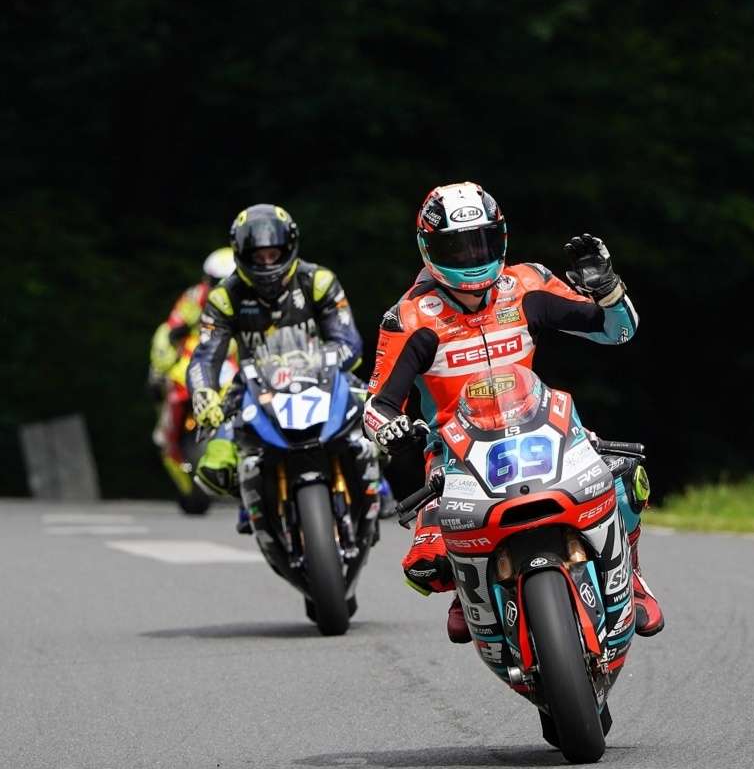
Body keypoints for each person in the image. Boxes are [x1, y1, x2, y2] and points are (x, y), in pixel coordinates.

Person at [363, 181, 664, 643]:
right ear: (428, 248)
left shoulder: (527, 284)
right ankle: (469, 589)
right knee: (427, 562)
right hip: (456, 454)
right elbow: (378, 403)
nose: (471, 257)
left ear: (500, 239)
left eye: (480, 242)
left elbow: (617, 331)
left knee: (624, 480)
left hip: (544, 428)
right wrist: (390, 429)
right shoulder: (409, 318)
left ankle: (632, 577)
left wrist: (606, 289)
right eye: (456, 247)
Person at [188, 203, 367, 500]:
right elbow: (205, 356)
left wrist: (325, 359)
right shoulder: (224, 297)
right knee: (214, 468)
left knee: (376, 417)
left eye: (273, 254)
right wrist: (203, 392)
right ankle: (250, 505)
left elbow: (349, 342)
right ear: (241, 255)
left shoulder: (318, 281)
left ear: (289, 248)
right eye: (258, 257)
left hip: (321, 376)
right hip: (252, 385)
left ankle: (378, 486)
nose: (267, 263)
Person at [148, 248, 236, 496]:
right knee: (163, 397)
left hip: (231, 361)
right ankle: (174, 451)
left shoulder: (255, 299)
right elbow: (170, 329)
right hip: (193, 361)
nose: (217, 287)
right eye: (213, 280)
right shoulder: (194, 297)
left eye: (225, 281)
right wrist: (158, 371)